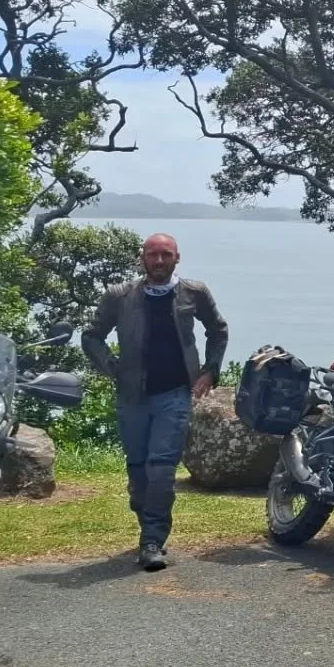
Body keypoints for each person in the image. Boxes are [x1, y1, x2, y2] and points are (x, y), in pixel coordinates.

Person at [82, 233, 228, 571]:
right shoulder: (119, 296)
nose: (159, 261)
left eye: (166, 255)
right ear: (142, 259)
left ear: (177, 258)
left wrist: (210, 371)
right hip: (132, 396)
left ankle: (152, 542)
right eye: (152, 255)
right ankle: (145, 512)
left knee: (161, 472)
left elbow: (217, 330)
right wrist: (112, 368)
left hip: (175, 395)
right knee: (140, 475)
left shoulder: (195, 292)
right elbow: (91, 336)